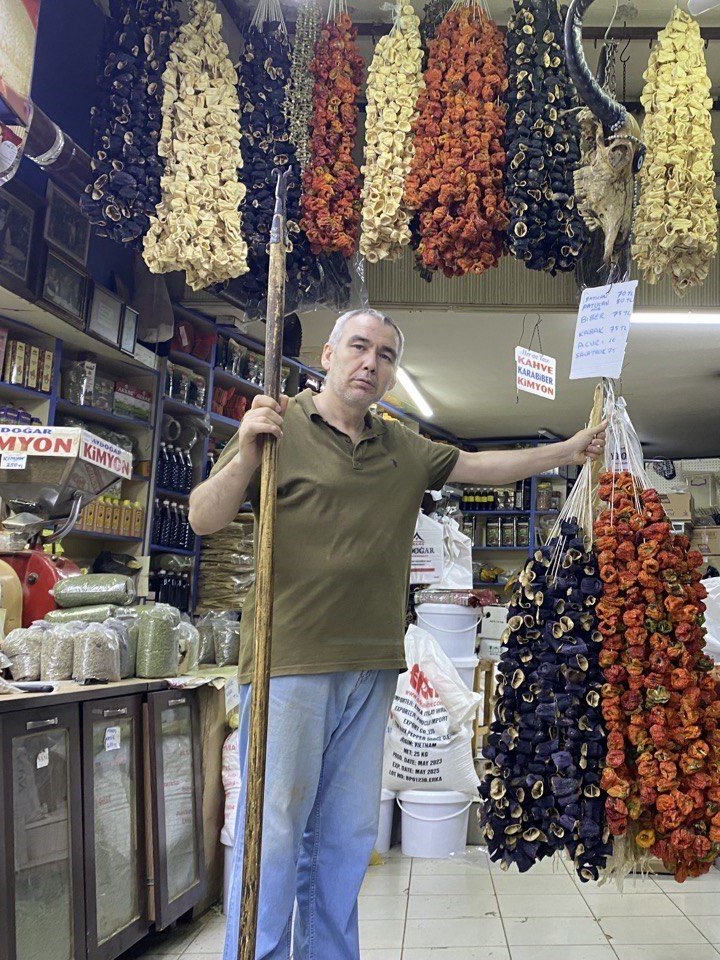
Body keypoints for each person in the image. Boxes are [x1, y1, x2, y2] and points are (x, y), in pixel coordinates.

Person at [192, 307, 605, 960]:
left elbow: (480, 466)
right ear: (327, 355)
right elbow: (204, 518)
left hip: (372, 666)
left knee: (347, 834)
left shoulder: (401, 445)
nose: (370, 362)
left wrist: (564, 451)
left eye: (385, 355)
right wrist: (245, 453)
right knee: (273, 832)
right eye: (359, 347)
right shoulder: (276, 427)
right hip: (287, 664)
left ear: (391, 373)